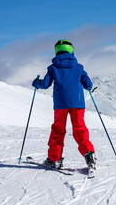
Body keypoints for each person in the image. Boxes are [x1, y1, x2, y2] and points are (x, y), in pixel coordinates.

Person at [32, 39, 96, 170]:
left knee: (58, 130)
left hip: (60, 104)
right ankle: (89, 155)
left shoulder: (53, 68)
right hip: (78, 103)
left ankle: (54, 160)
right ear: (71, 51)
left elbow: (45, 84)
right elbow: (88, 85)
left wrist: (35, 82)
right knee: (79, 128)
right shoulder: (79, 67)